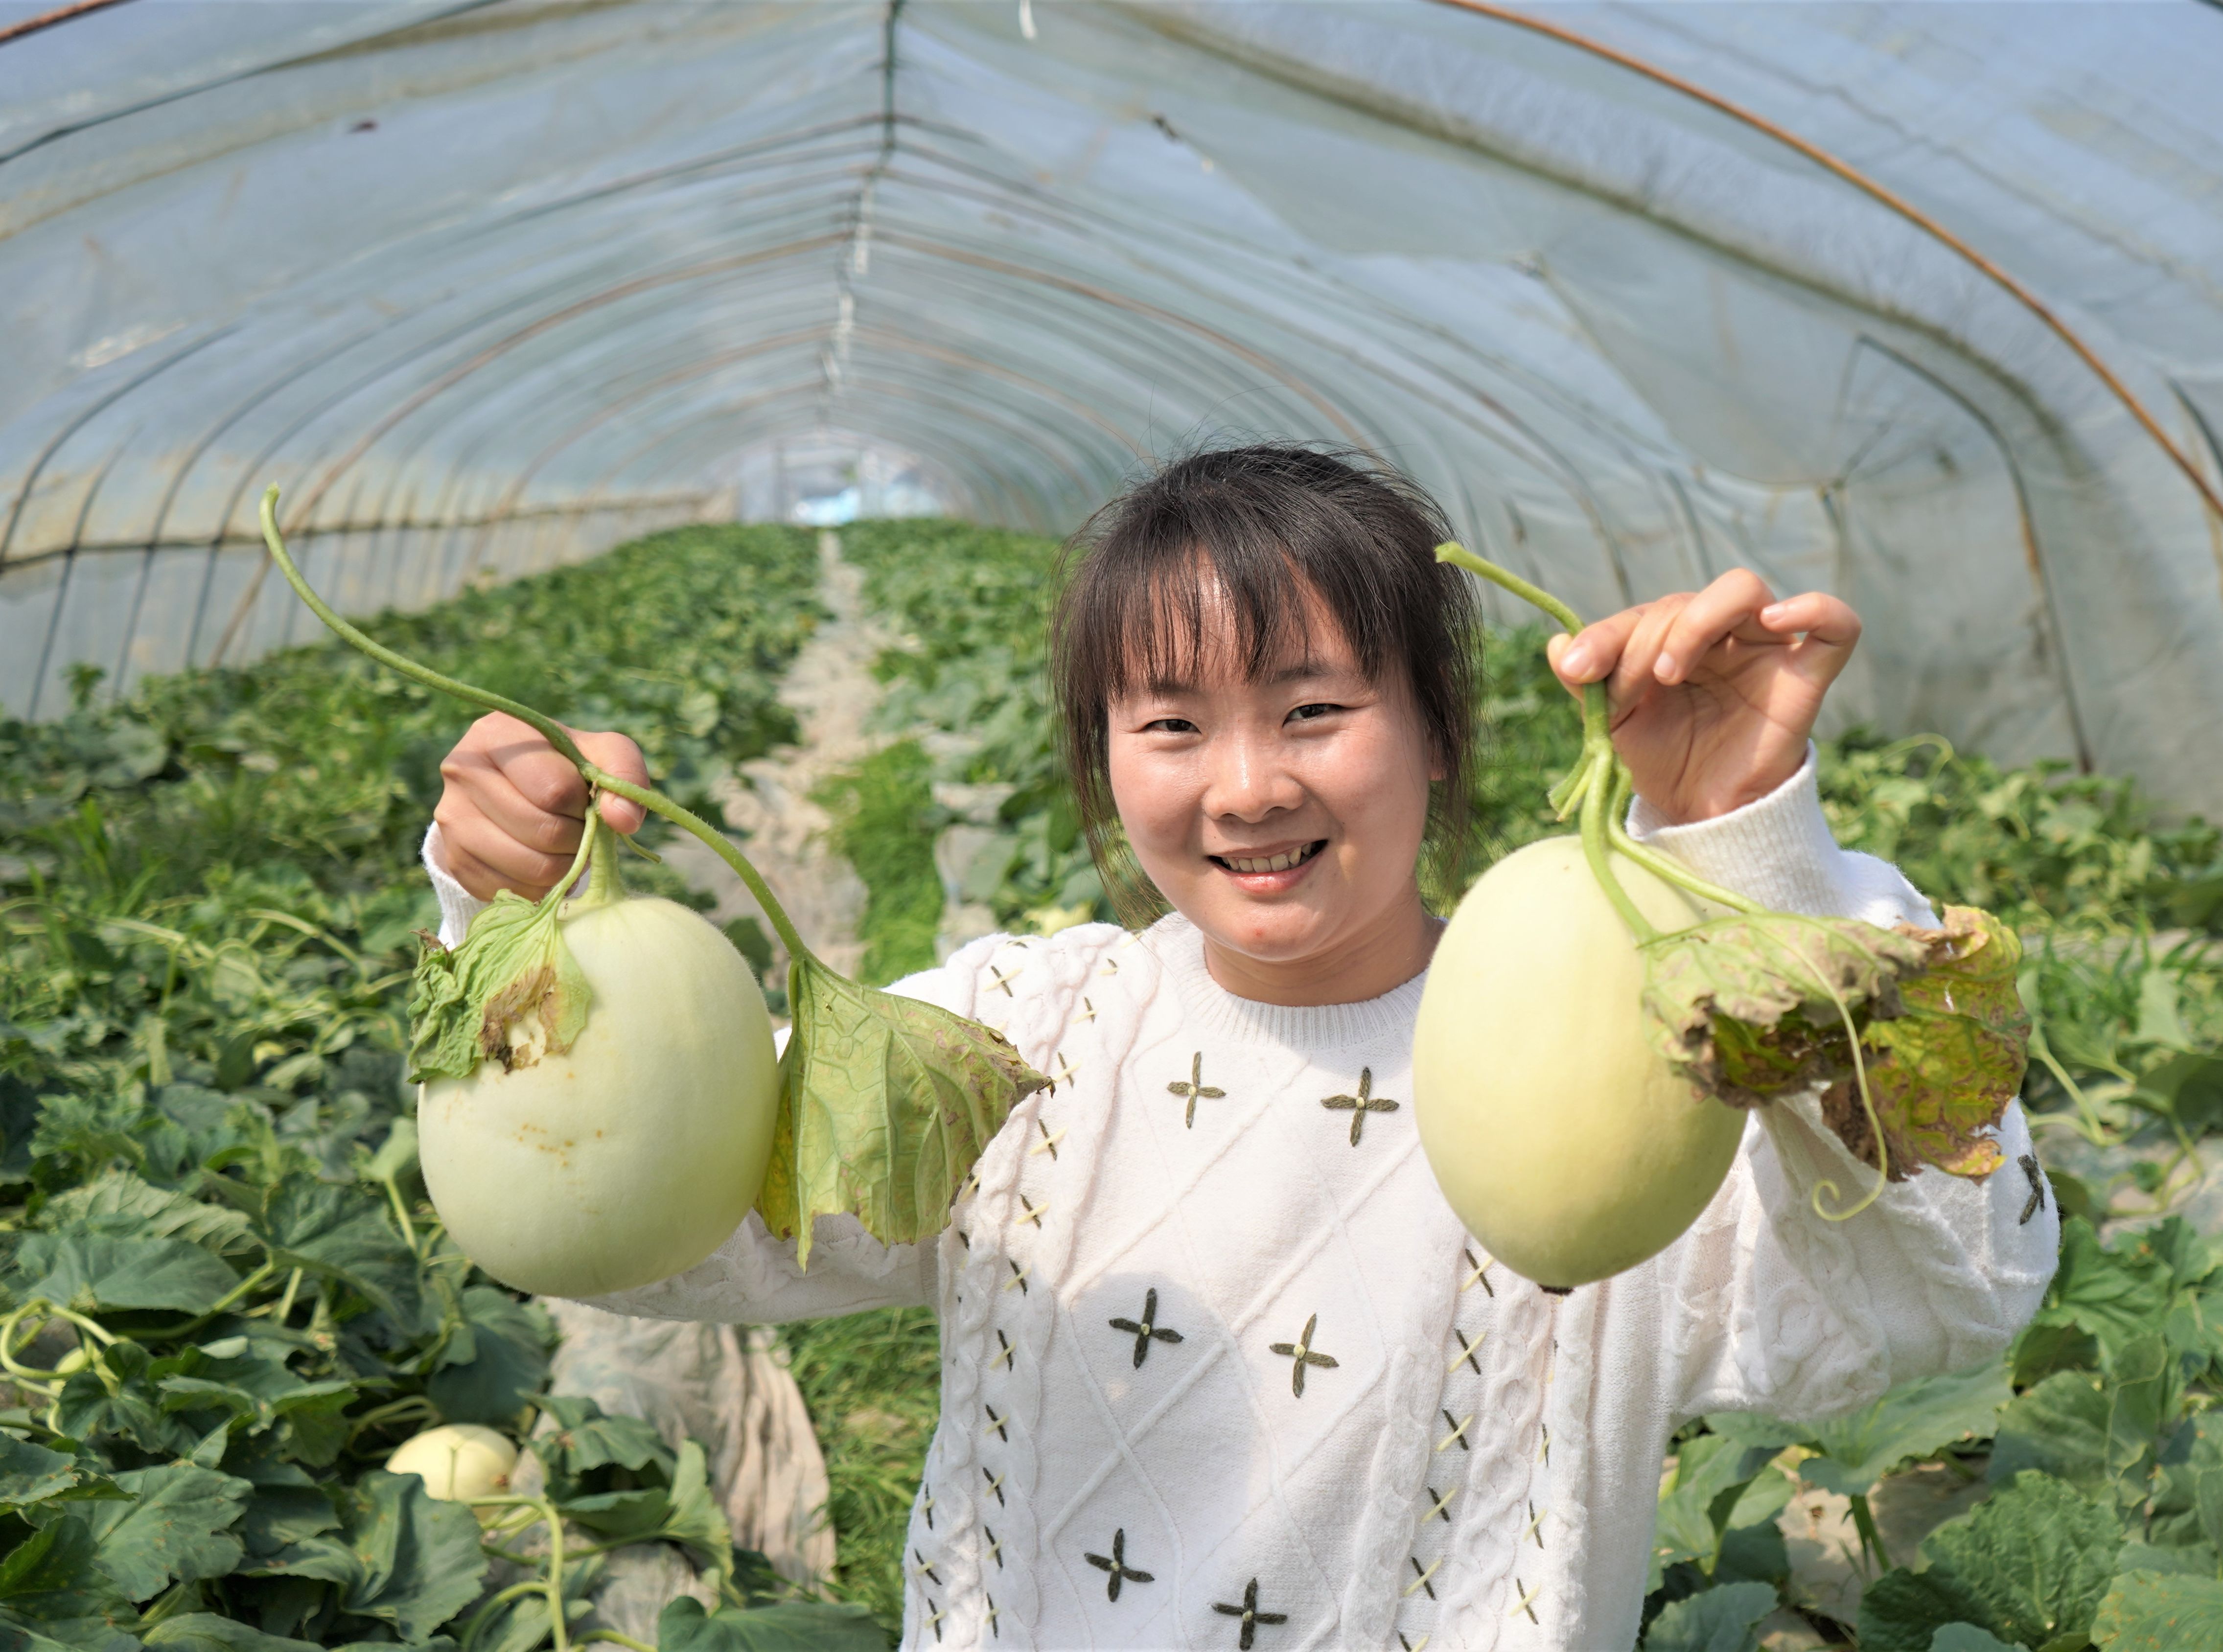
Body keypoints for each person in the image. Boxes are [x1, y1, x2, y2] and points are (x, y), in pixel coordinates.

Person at [423, 444, 2057, 1650]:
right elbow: (660, 1239)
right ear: (1102, 761)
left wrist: (1743, 869)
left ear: (1435, 729)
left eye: (1313, 709)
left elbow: (1945, 1294)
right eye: (1171, 724)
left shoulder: (1643, 1048)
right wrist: (524, 935)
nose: (1245, 786)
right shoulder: (1025, 1037)